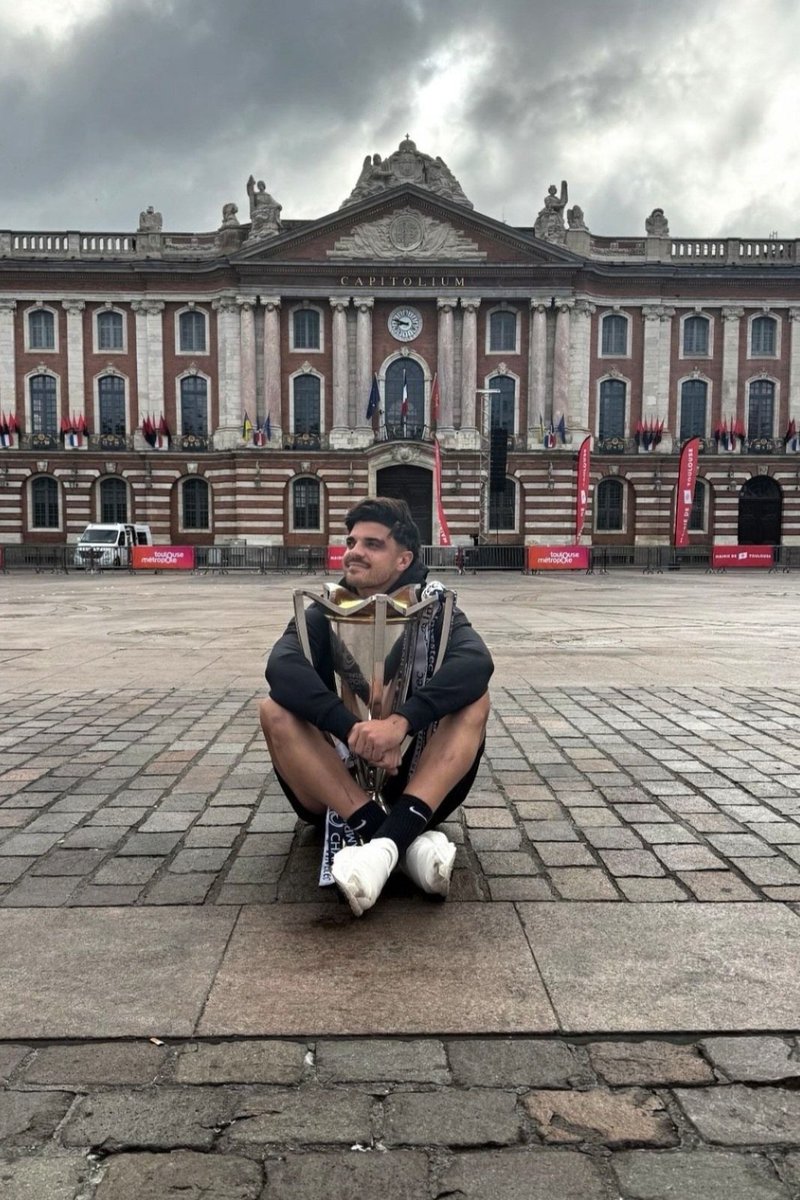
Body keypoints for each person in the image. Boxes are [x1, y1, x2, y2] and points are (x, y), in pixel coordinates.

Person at [260, 497, 493, 917]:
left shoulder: (435, 607)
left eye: (372, 544)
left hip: (416, 778)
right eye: (351, 541)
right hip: (334, 786)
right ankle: (395, 837)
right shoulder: (326, 608)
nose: (354, 551)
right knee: (273, 710)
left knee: (475, 699)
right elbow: (281, 666)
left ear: (404, 559)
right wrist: (354, 730)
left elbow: (477, 662)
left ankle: (383, 842)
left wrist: (400, 724)